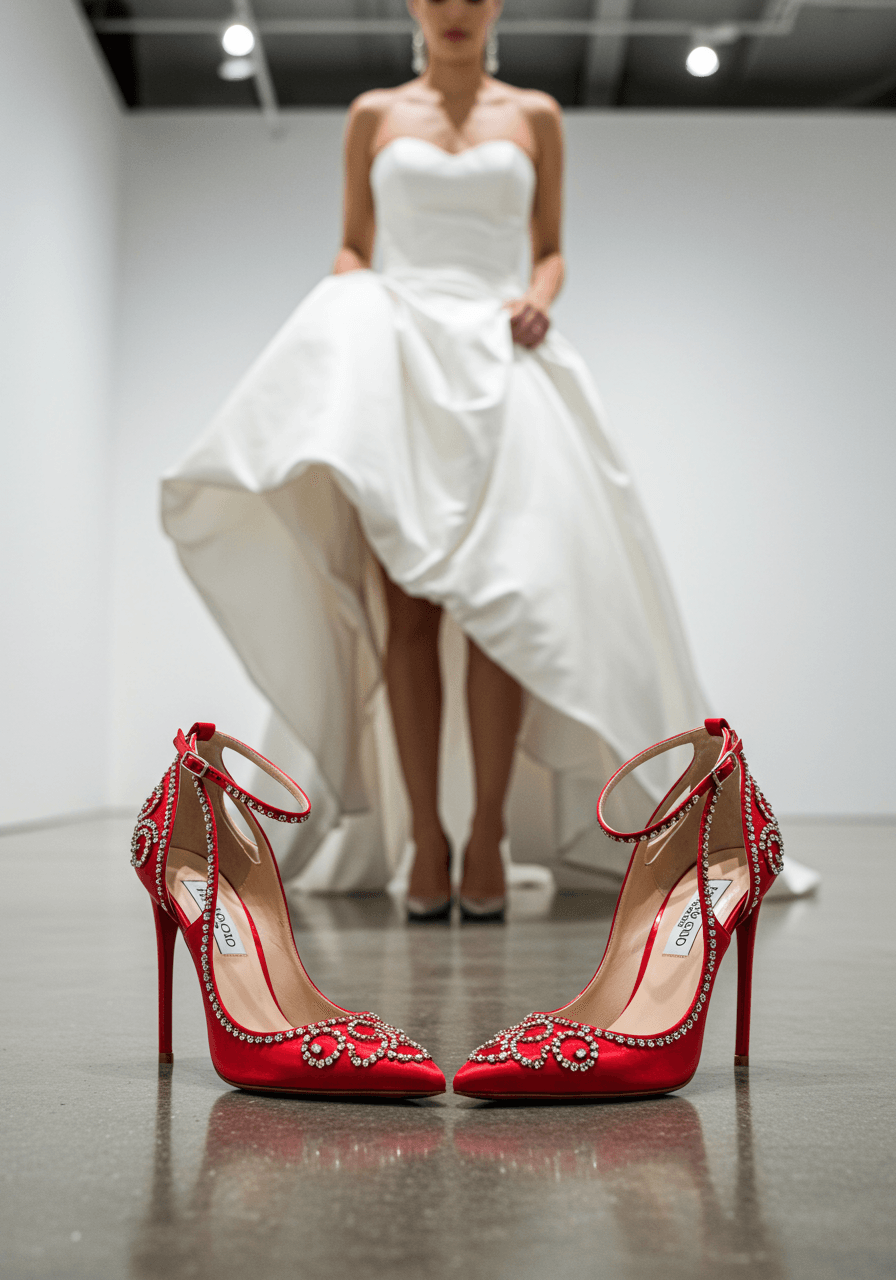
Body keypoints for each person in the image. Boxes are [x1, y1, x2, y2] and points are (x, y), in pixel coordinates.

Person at [162, 0, 816, 918]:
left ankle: (489, 838)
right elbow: (354, 244)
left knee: (511, 602)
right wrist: (355, 321)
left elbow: (549, 251)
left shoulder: (536, 114)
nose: (456, 8)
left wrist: (537, 297)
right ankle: (427, 835)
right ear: (414, 7)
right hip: (403, 367)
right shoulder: (374, 115)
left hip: (504, 363)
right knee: (409, 611)